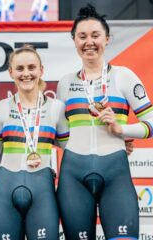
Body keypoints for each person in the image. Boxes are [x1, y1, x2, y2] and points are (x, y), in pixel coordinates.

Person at [56, 4, 152, 239]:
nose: (89, 42)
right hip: (73, 175)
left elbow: (150, 122)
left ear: (107, 39)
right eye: (82, 36)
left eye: (95, 35)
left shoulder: (124, 76)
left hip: (115, 172)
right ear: (74, 41)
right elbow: (59, 134)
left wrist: (123, 130)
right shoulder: (65, 83)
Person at [0, 44, 69, 239]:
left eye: (31, 68)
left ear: (41, 70)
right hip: (4, 190)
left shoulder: (57, 108)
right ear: (10, 72)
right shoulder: (0, 109)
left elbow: (73, 150)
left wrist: (116, 140)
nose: (26, 74)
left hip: (42, 190)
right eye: (20, 68)